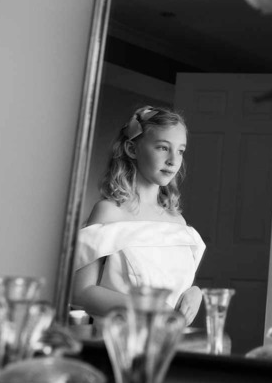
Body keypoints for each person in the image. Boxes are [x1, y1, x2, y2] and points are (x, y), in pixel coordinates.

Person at [71, 105, 205, 324]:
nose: (173, 160)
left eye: (180, 150)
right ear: (132, 149)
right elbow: (80, 292)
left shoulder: (177, 222)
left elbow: (174, 292)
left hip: (168, 344)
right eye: (163, 148)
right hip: (116, 342)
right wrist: (146, 306)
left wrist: (194, 293)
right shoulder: (109, 212)